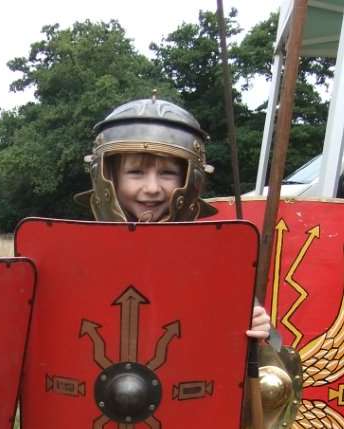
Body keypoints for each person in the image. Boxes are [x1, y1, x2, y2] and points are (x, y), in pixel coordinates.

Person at [75, 96, 299, 427]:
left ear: (191, 180)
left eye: (168, 173)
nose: (151, 188)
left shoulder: (216, 264)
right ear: (106, 176)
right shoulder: (73, 259)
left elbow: (271, 386)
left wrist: (260, 338)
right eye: (135, 172)